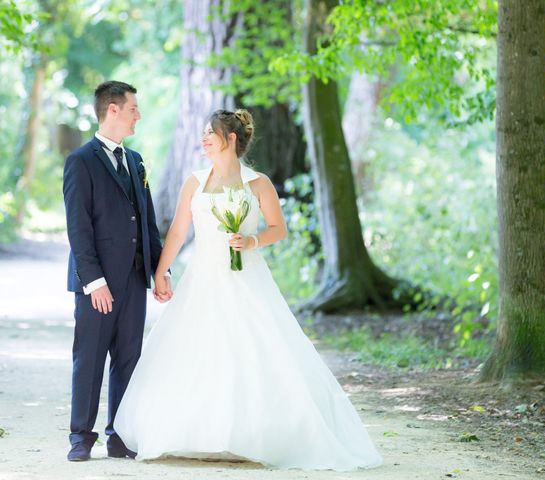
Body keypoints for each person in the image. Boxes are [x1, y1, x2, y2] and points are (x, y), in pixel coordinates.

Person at [113, 109, 382, 470]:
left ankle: (253, 435)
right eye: (204, 133)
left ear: (232, 139)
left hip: (246, 277)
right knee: (197, 350)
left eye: (211, 133)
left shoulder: (258, 184)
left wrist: (253, 240)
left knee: (253, 348)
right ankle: (194, 433)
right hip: (202, 280)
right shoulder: (194, 181)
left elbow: (278, 228)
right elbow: (178, 232)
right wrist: (162, 272)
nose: (204, 138)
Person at [62, 81, 169, 462]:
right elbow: (78, 227)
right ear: (113, 110)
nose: (138, 115)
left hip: (135, 279)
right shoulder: (80, 161)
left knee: (128, 358)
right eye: (133, 108)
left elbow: (148, 223)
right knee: (89, 358)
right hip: (97, 285)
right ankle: (80, 437)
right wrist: (94, 282)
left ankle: (119, 436)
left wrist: (159, 270)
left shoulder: (136, 161)